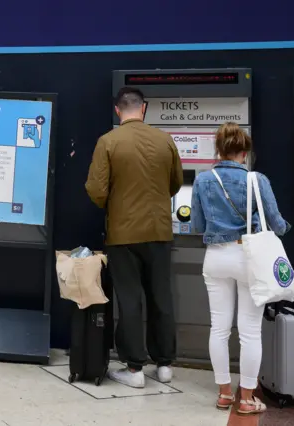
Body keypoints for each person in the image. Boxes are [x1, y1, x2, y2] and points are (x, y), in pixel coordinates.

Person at [85, 87, 183, 388]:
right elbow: (176, 183)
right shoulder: (165, 140)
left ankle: (135, 369)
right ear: (144, 108)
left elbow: (95, 189)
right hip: (159, 231)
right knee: (161, 297)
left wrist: (115, 205)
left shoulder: (108, 142)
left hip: (123, 234)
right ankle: (164, 364)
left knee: (129, 300)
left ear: (118, 111)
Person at [190, 122, 290, 415]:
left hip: (216, 258)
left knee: (218, 328)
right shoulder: (257, 180)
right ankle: (246, 399)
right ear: (244, 153)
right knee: (249, 332)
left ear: (219, 150)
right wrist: (279, 229)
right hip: (248, 259)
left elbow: (196, 225)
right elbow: (277, 223)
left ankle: (223, 394)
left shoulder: (203, 180)